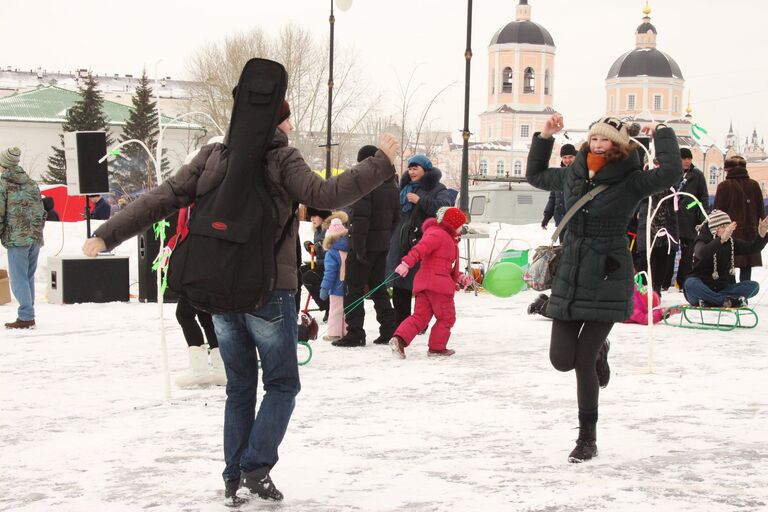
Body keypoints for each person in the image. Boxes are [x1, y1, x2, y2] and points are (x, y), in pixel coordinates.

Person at [82, 94, 400, 502]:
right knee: (283, 383)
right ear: (278, 122)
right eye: (287, 121)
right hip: (270, 292)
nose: (289, 128)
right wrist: (380, 163)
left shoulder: (213, 157)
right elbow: (327, 195)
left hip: (219, 292)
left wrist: (106, 234)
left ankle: (234, 476)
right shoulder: (283, 160)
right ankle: (255, 465)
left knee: (240, 387)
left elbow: (160, 198)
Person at [526, 114, 682, 463]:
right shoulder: (573, 174)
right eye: (594, 138)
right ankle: (600, 350)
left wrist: (664, 134)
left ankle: (587, 439)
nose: (597, 144)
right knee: (560, 359)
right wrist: (544, 136)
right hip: (571, 273)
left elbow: (671, 173)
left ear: (618, 145)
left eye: (605, 140)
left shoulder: (631, 181)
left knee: (581, 362)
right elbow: (535, 175)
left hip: (608, 275)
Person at [333, 144, 399, 347]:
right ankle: (389, 330)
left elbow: (361, 219)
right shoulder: (392, 184)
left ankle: (355, 333)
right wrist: (385, 240)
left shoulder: (366, 183)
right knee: (378, 288)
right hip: (382, 246)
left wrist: (359, 248)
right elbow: (396, 218)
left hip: (363, 246)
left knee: (352, 289)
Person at [389, 206, 474, 359]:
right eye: (461, 225)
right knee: (447, 317)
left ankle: (399, 339)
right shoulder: (438, 234)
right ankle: (436, 348)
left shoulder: (446, 239)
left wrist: (461, 278)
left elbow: (445, 267)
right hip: (439, 287)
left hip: (426, 284)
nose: (462, 229)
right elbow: (420, 249)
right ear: (453, 223)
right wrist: (406, 263)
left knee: (420, 317)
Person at [386, 154, 452, 329]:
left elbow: (444, 210)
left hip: (422, 244)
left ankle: (419, 322)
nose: (412, 172)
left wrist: (421, 201)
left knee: (419, 286)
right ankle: (401, 323)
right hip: (400, 243)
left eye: (416, 168)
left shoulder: (438, 189)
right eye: (410, 168)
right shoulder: (405, 188)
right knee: (400, 284)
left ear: (426, 169)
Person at [166, 206, 225, 388]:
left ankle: (201, 370)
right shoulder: (191, 203)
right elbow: (184, 232)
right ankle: (220, 369)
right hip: (199, 263)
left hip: (201, 265)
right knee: (205, 315)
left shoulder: (201, 203)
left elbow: (193, 232)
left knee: (184, 314)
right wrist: (171, 246)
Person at [683, 209, 768, 308]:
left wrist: (761, 235)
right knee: (690, 284)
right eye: (724, 227)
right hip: (701, 287)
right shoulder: (702, 239)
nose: (727, 229)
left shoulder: (731, 242)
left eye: (728, 225)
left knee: (754, 286)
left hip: (722, 288)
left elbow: (751, 248)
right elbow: (702, 253)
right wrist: (721, 240)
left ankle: (712, 300)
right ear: (715, 228)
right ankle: (723, 300)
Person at [0, 147, 45, 329]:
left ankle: (26, 316)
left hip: (17, 238)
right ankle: (28, 313)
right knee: (28, 276)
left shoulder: (3, 184)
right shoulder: (32, 183)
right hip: (34, 236)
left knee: (19, 278)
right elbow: (41, 210)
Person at [713, 156, 766, 282]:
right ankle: (744, 295)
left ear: (728, 170)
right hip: (750, 231)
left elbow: (717, 213)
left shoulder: (723, 186)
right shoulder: (754, 185)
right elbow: (761, 210)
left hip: (730, 232)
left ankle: (731, 294)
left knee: (728, 264)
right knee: (746, 265)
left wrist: (717, 232)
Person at [674, 147, 709, 288]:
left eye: (689, 158)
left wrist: (701, 217)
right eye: (684, 158)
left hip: (691, 220)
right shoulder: (672, 174)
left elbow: (704, 197)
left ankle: (682, 281)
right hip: (673, 219)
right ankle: (666, 281)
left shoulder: (697, 175)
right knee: (671, 253)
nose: (687, 161)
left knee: (688, 254)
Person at [319, 217, 349, 342]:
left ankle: (334, 333)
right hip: (348, 286)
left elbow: (330, 273)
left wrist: (324, 287)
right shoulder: (348, 249)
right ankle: (347, 331)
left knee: (335, 310)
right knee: (347, 310)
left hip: (336, 287)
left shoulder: (331, 253)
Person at [300, 207, 331, 319]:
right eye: (311, 216)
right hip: (320, 263)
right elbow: (317, 251)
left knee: (309, 277)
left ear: (322, 216)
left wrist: (319, 248)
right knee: (300, 272)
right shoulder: (318, 230)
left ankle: (328, 306)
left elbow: (330, 248)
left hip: (329, 265)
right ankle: (294, 304)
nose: (312, 219)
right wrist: (310, 247)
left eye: (314, 216)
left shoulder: (329, 229)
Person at [541, 144, 577, 236]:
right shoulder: (559, 175)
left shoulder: (580, 174)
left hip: (576, 222)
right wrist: (547, 216)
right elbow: (553, 198)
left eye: (570, 157)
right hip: (561, 221)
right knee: (562, 248)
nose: (567, 160)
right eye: (564, 157)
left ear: (575, 157)